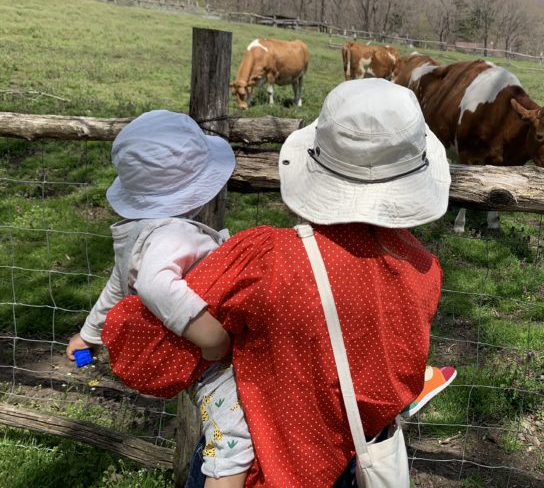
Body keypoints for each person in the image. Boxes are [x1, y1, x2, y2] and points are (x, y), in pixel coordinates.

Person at [101, 79, 453, 487]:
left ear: (317, 162)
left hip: (255, 471)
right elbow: (388, 385)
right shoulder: (423, 271)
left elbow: (145, 352)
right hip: (344, 468)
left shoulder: (264, 258)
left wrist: (209, 337)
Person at [65, 110, 252, 488]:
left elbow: (116, 290)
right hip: (214, 366)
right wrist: (213, 340)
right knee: (234, 437)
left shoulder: (134, 236)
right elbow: (153, 284)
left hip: (187, 359)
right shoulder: (172, 233)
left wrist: (89, 335)